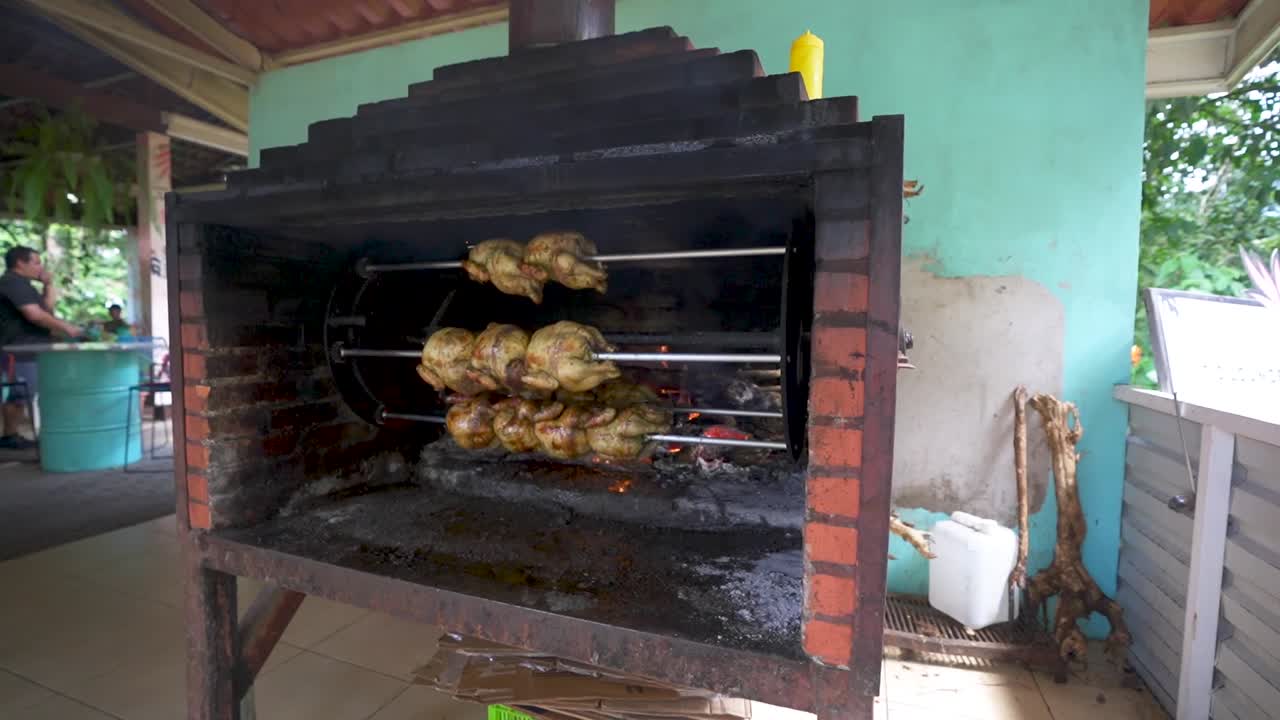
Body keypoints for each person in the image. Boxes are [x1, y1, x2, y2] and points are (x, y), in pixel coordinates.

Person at [0, 246, 84, 449]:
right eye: (36, 262)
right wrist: (67, 328)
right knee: (18, 394)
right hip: (18, 349)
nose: (40, 267)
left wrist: (48, 284)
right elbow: (34, 315)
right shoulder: (12, 282)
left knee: (25, 393)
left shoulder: (25, 286)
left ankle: (12, 435)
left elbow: (48, 309)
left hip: (33, 348)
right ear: (21, 263)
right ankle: (10, 435)